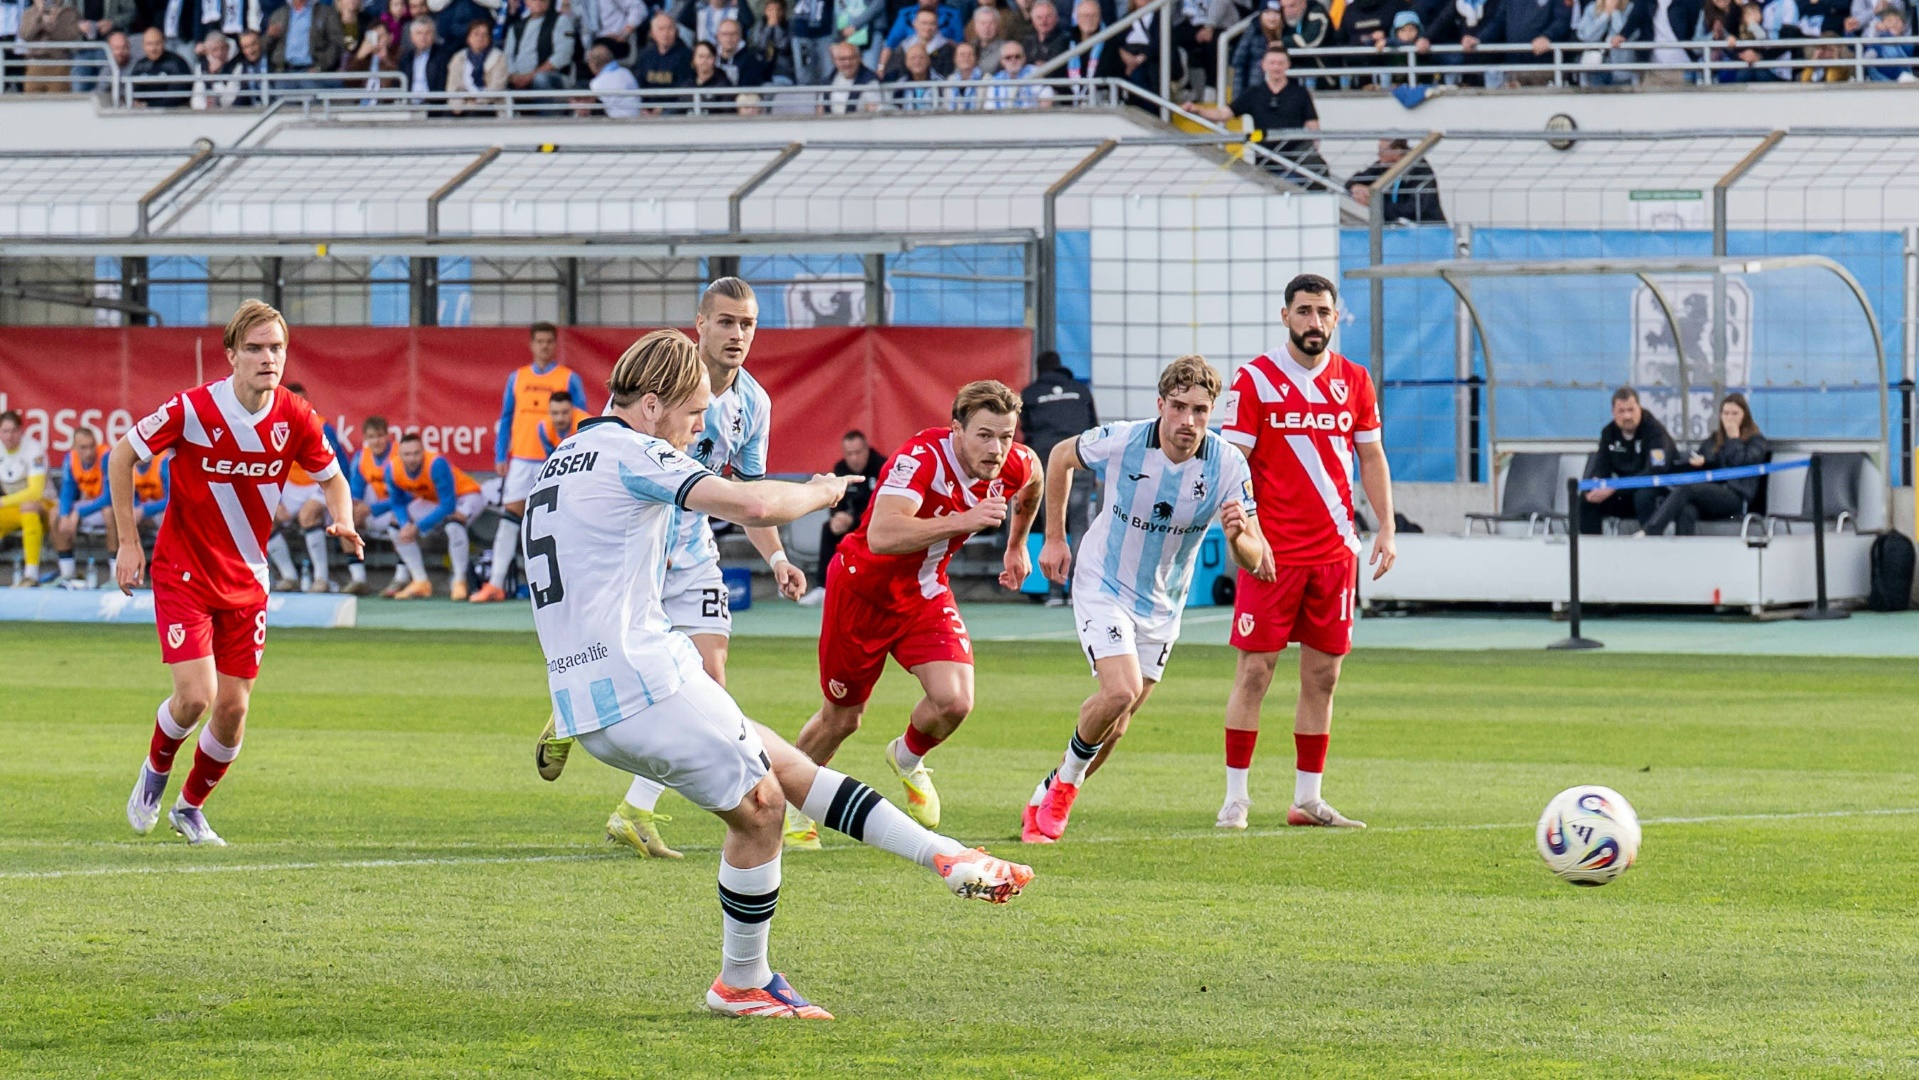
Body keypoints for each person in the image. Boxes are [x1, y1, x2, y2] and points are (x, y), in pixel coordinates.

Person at [526, 329, 1033, 1020]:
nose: (699, 427)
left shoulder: (564, 456)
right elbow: (754, 504)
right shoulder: (632, 450)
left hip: (595, 687)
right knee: (761, 808)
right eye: (693, 413)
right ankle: (743, 981)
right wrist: (821, 492)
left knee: (786, 770)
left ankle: (947, 859)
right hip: (639, 678)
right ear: (649, 407)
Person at [537, 278, 805, 860]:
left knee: (711, 677)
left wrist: (778, 556)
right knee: (677, 684)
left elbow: (746, 492)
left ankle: (636, 806)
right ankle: (576, 714)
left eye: (749, 324)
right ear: (700, 324)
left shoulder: (754, 404)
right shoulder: (661, 383)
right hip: (638, 559)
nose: (738, 335)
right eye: (727, 322)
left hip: (693, 556)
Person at [115, 299, 361, 847]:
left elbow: (334, 478)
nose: (267, 358)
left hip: (247, 579)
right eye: (254, 348)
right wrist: (128, 543)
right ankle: (155, 774)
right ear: (231, 356)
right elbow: (121, 455)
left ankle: (190, 808)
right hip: (183, 571)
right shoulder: (192, 409)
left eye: (275, 348)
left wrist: (342, 518)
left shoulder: (296, 415)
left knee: (232, 709)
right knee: (196, 697)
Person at [1023, 356, 1271, 843]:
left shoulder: (1227, 463)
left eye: (1200, 410)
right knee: (1120, 690)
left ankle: (1048, 791)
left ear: (1212, 412)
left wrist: (1240, 536)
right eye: (1178, 407)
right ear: (1160, 405)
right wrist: (1053, 538)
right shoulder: (1124, 439)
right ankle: (1065, 791)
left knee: (1116, 728)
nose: (1188, 421)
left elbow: (1255, 553)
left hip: (1162, 607)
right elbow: (1058, 457)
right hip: (1103, 583)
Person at [787, 381, 1043, 842]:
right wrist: (965, 520)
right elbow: (884, 535)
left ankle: (906, 757)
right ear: (956, 430)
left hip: (924, 593)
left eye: (1006, 436)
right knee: (842, 718)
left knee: (955, 701)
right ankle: (794, 804)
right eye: (984, 435)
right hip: (861, 593)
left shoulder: (1013, 462)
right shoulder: (921, 459)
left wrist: (1017, 545)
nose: (997, 448)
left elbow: (1035, 476)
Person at [1217, 273, 1396, 831]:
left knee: (1323, 677)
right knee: (1256, 673)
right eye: (1303, 311)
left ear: (1336, 318)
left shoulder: (1354, 380)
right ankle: (1236, 798)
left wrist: (1385, 528)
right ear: (1285, 316)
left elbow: (1371, 457)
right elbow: (1231, 465)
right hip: (1271, 554)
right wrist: (1244, 534)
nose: (1313, 322)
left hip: (1335, 552)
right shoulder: (1255, 380)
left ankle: (1308, 800)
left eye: (1323, 312)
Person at [474, 321, 588, 604]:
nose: (545, 346)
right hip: (522, 459)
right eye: (540, 341)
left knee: (563, 521)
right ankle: (496, 584)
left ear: (555, 344)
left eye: (550, 341)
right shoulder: (518, 378)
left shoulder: (568, 378)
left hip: (558, 461)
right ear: (531, 344)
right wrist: (501, 455)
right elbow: (507, 417)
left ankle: (567, 586)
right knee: (510, 517)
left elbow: (584, 420)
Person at [1020, 349, 1097, 605]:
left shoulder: (1030, 394)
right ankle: (1078, 592)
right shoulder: (1081, 391)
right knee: (1079, 528)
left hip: (1047, 466)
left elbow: (1026, 433)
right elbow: (1093, 428)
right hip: (1079, 461)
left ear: (1039, 369)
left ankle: (1054, 592)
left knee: (1053, 529)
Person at [1633, 393, 1769, 536]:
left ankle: (1650, 530)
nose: (1729, 418)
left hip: (1736, 496)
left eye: (1735, 413)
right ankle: (1685, 554)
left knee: (1687, 489)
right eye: (1726, 413)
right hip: (1711, 492)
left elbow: (1741, 463)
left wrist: (1734, 439)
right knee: (1687, 510)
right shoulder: (1715, 439)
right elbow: (1708, 460)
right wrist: (1701, 461)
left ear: (1745, 416)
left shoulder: (1756, 441)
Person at [1192, 47, 1327, 187]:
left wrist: (1312, 150)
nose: (1276, 67)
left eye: (1281, 63)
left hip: (1295, 161)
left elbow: (1313, 126)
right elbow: (1224, 114)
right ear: (1264, 65)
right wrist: (1197, 110)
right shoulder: (1253, 93)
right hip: (1265, 162)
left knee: (1320, 174)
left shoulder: (1300, 93)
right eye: (1272, 63)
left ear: (1288, 65)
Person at [263, 382, 349, 594]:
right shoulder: (273, 427)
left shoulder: (322, 426)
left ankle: (321, 578)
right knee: (264, 517)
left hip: (319, 483)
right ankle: (289, 576)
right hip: (291, 485)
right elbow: (266, 468)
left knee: (307, 515)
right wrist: (277, 501)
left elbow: (341, 465)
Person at [381, 432, 485, 599]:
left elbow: (449, 506)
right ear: (399, 455)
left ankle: (459, 581)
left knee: (454, 524)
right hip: (433, 500)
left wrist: (418, 527)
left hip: (466, 495)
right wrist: (405, 523)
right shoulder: (392, 470)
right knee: (395, 526)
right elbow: (398, 502)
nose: (412, 459)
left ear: (423, 451)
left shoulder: (436, 464)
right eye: (407, 454)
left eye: (416, 453)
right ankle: (420, 581)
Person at [798, 430, 882, 605]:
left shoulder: (882, 466)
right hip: (851, 525)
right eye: (849, 454)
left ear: (867, 449)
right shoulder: (840, 469)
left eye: (858, 452)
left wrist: (855, 518)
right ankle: (823, 586)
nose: (854, 458)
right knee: (828, 529)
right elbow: (835, 501)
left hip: (877, 524)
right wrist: (837, 518)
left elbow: (882, 505)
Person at [1579, 386, 1676, 535]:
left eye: (1631, 410)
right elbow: (1601, 465)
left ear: (1639, 408)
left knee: (1643, 496)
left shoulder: (1655, 432)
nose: (1627, 416)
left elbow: (1656, 471)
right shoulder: (1608, 433)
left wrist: (1616, 485)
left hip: (1655, 490)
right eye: (1621, 411)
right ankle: (1590, 550)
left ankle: (1651, 546)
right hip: (1623, 491)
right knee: (1586, 499)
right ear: (1613, 413)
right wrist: (1596, 484)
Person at [51, 426, 116, 586]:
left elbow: (109, 497)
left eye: (91, 446)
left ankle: (116, 574)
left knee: (110, 513)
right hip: (87, 504)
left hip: (103, 505)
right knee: (55, 513)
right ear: (74, 448)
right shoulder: (70, 459)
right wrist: (66, 515)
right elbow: (67, 491)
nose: (89, 452)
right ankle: (67, 572)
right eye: (83, 447)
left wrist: (78, 512)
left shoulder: (106, 456)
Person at [346, 416, 395, 597]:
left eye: (380, 436)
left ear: (388, 436)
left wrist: (371, 510)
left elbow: (406, 497)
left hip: (395, 508)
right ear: (366, 439)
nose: (377, 441)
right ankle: (358, 578)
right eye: (372, 437)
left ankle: (402, 577)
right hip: (375, 509)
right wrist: (356, 509)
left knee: (400, 519)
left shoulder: (398, 456)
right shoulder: (361, 457)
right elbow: (355, 491)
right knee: (345, 517)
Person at [0, 411, 50, 587]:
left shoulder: (33, 450)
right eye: (5, 431)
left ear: (21, 431)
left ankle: (31, 574)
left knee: (28, 508)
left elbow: (36, 492)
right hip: (14, 507)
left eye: (13, 431)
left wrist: (3, 502)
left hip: (46, 506)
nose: (9, 436)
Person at [1346, 138, 1445, 223]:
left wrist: (1376, 203)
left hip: (1425, 230)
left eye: (1382, 150)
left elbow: (1413, 210)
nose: (1378, 154)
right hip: (1394, 230)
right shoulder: (1383, 165)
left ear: (1397, 151)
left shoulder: (1421, 171)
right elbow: (1354, 180)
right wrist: (1356, 188)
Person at [504, 0, 577, 92]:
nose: (538, 1)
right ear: (526, 2)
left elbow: (563, 56)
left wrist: (531, 76)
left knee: (540, 79)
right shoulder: (515, 27)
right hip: (519, 77)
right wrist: (513, 76)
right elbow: (508, 56)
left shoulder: (561, 20)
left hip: (554, 77)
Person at [265, 0, 346, 79]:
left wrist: (321, 67)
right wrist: (269, 36)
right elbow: (264, 47)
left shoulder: (326, 13)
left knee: (310, 86)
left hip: (313, 73)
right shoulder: (279, 15)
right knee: (278, 89)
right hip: (284, 72)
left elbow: (336, 43)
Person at [446, 16, 507, 112]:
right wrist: (462, 105)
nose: (480, 38)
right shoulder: (458, 58)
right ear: (468, 38)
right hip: (463, 106)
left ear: (489, 38)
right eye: (476, 34)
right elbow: (453, 87)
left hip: (491, 106)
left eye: (484, 35)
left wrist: (477, 101)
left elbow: (497, 87)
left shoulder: (499, 57)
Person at [632, 8, 693, 102]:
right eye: (661, 29)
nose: (665, 33)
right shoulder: (644, 55)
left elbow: (683, 89)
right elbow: (638, 84)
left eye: (669, 28)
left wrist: (662, 108)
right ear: (652, 33)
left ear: (676, 31)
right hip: (646, 109)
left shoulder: (686, 55)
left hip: (674, 109)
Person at [129, 25, 193, 107]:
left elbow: (177, 97)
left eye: (157, 43)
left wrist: (148, 105)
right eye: (149, 44)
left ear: (164, 43)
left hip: (174, 114)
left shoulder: (177, 63)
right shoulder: (140, 65)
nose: (153, 48)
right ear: (143, 45)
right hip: (145, 114)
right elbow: (134, 92)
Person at [983, 38, 1052, 105]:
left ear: (1024, 58)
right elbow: (990, 108)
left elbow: (1046, 97)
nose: (1013, 60)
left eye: (1017, 56)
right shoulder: (995, 81)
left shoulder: (1034, 72)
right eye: (1008, 57)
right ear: (1002, 61)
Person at [399, 15, 449, 101]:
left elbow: (442, 86)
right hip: (408, 104)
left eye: (427, 33)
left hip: (432, 105)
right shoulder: (405, 58)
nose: (423, 37)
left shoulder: (442, 56)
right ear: (412, 37)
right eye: (419, 33)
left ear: (433, 35)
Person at [584, 39, 638, 113]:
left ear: (594, 64)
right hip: (636, 120)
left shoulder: (596, 84)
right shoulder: (626, 72)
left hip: (614, 122)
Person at [536, 389, 578, 454]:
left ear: (573, 410)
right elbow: (551, 457)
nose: (560, 418)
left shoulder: (585, 427)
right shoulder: (544, 427)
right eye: (555, 413)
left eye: (565, 412)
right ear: (549, 411)